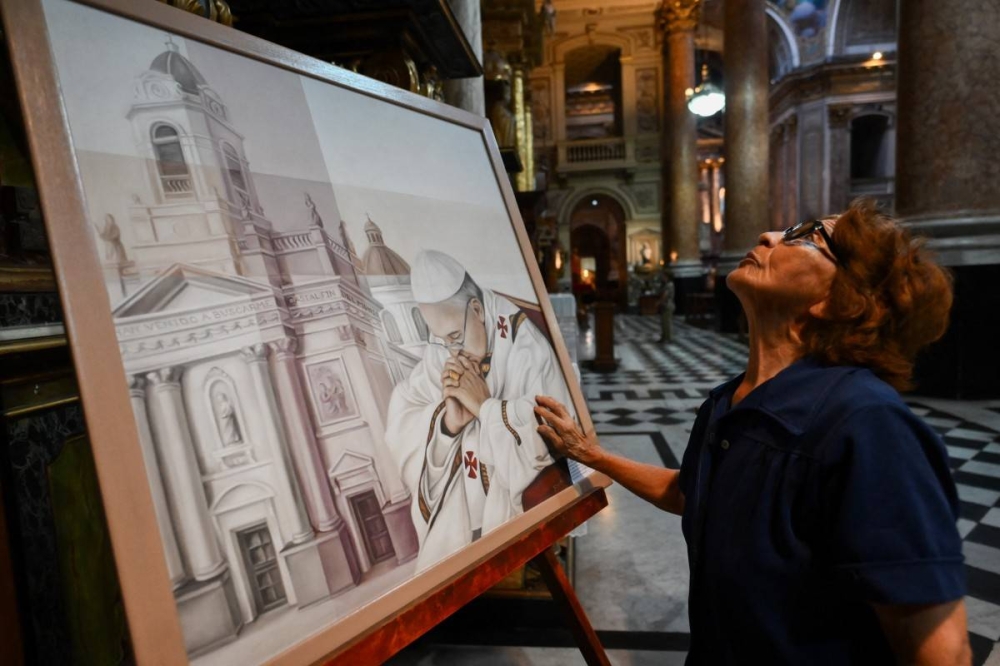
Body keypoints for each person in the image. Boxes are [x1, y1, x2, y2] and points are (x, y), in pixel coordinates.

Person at [535, 200, 970, 664]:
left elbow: (942, 655)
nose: (767, 235)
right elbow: (692, 493)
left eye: (805, 235)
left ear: (842, 298)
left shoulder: (869, 428)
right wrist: (592, 454)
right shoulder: (729, 403)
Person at [385, 250, 574, 571]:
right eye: (441, 340)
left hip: (508, 514)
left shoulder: (523, 342)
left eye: (456, 337)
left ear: (477, 310)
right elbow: (405, 411)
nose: (451, 352)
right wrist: (447, 427)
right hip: (460, 515)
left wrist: (486, 409)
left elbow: (553, 430)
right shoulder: (442, 350)